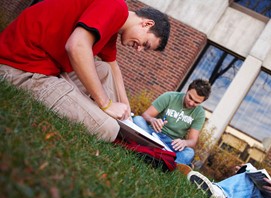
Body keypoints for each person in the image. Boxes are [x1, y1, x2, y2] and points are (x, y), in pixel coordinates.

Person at [0, 0, 170, 142]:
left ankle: (118, 122)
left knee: (103, 69)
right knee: (108, 130)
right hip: (20, 69)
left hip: (43, 65)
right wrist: (107, 104)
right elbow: (77, 46)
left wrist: (126, 109)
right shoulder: (115, 6)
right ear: (147, 23)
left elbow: (112, 65)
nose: (139, 49)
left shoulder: (115, 22)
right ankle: (108, 120)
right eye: (145, 44)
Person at [133, 79, 211, 165]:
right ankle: (167, 159)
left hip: (171, 144)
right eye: (190, 97)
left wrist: (184, 142)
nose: (191, 103)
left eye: (196, 102)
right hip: (153, 134)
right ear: (187, 90)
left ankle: (162, 160)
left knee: (189, 152)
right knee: (137, 120)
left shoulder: (200, 113)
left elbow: (192, 140)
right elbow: (145, 115)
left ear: (202, 102)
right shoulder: (169, 96)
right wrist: (153, 120)